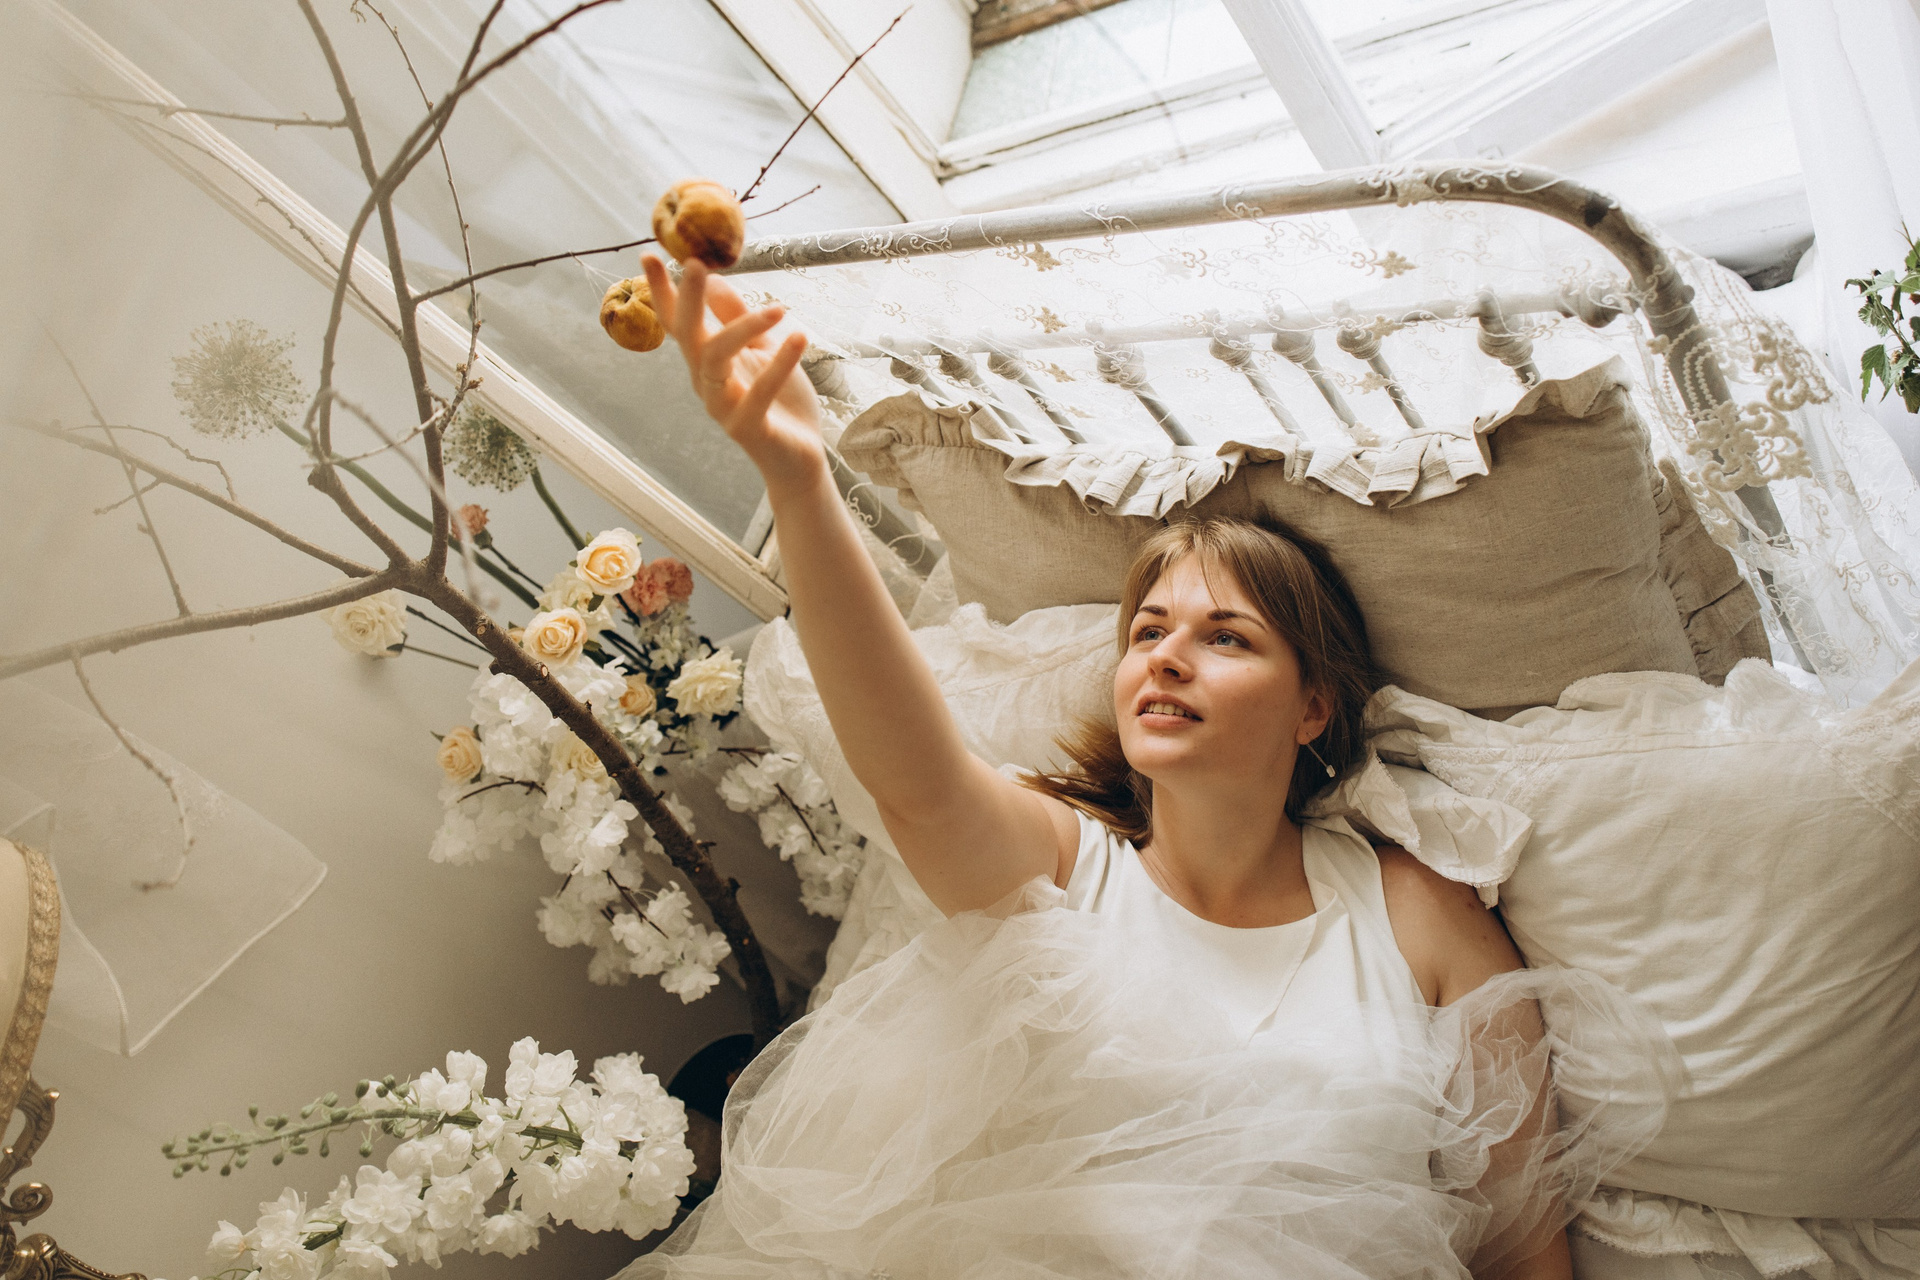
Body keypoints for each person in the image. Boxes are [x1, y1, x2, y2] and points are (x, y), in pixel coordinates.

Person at [620, 257, 1676, 1280]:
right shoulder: (1064, 866)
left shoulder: (1415, 913)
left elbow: (1522, 1250)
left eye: (1227, 637)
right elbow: (915, 778)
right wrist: (799, 480)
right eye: (1149, 630)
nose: (1167, 656)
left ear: (1314, 705)